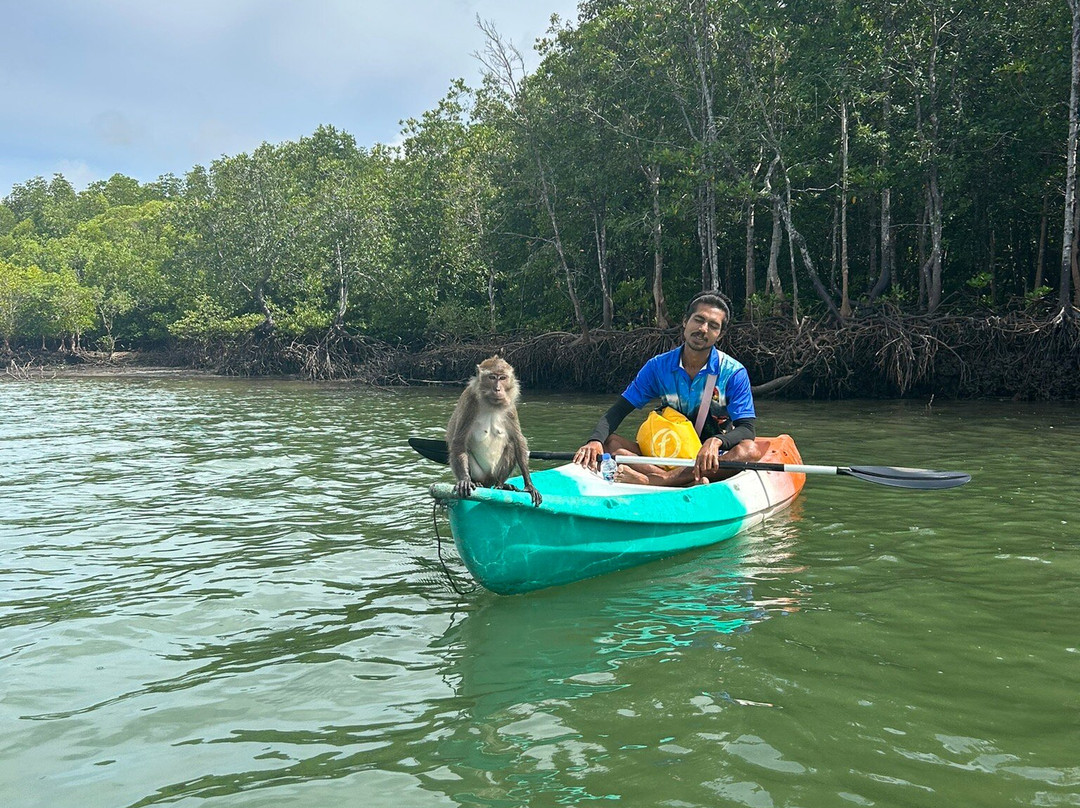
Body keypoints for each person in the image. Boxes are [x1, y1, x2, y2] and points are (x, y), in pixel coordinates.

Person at [573, 292, 763, 485]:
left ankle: (654, 480)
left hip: (710, 458)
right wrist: (594, 441)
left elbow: (747, 429)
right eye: (698, 320)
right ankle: (678, 479)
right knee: (609, 442)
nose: (703, 329)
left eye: (713, 326)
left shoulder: (733, 372)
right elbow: (619, 410)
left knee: (750, 450)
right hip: (666, 453)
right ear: (685, 321)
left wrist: (715, 441)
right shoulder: (657, 367)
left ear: (720, 334)